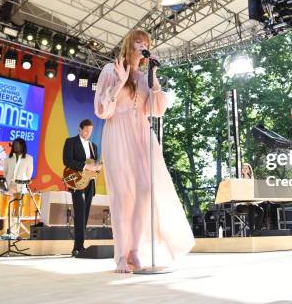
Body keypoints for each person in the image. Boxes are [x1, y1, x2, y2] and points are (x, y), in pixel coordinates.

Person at [94, 29, 195, 273]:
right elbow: (102, 110)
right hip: (118, 132)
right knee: (122, 195)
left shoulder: (144, 77)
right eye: (138, 41)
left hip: (141, 134)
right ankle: (121, 255)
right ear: (129, 44)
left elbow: (156, 109)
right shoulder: (111, 69)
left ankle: (135, 251)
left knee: (146, 191)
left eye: (146, 43)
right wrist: (120, 81)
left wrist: (154, 76)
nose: (142, 46)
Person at [63, 119, 101, 257]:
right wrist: (85, 166)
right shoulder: (71, 142)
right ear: (80, 129)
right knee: (79, 212)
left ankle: (79, 246)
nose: (88, 133)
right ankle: (78, 247)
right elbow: (67, 160)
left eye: (90, 131)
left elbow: (94, 165)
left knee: (85, 213)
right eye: (86, 130)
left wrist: (97, 168)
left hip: (90, 183)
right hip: (76, 182)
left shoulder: (94, 146)